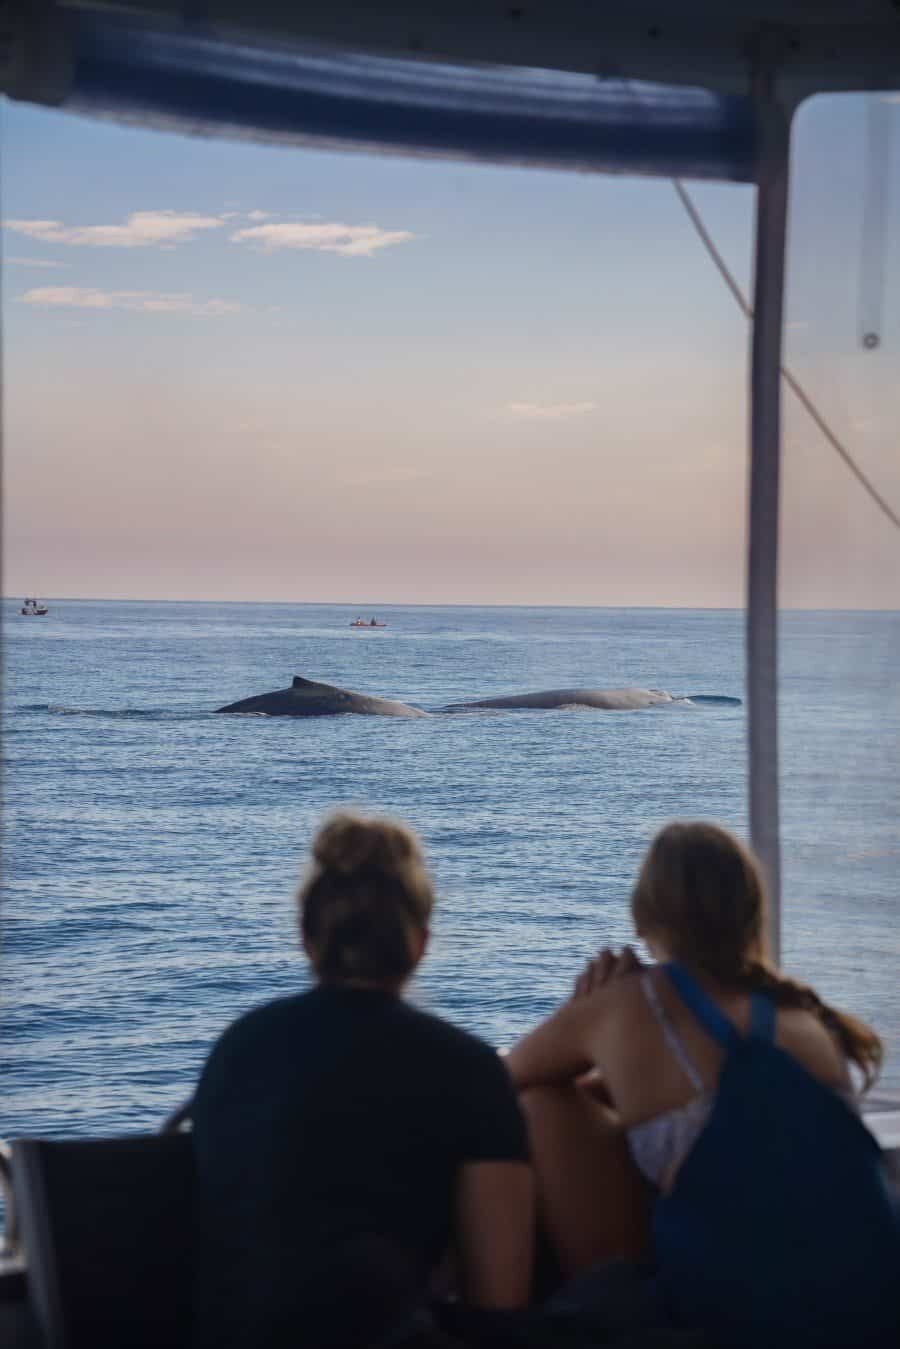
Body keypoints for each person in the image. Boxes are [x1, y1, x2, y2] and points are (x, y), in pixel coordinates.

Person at [505, 821, 899, 1348]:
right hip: (874, 1304)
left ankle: (606, 1320)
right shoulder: (801, 1017)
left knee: (541, 1103)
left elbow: (497, 1079)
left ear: (642, 918)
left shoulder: (633, 1001)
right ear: (751, 916)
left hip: (750, 1319)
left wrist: (583, 1014)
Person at [192, 812, 533, 1349]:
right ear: (421, 942)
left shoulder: (238, 1048)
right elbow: (500, 1303)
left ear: (307, 939)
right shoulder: (465, 1067)